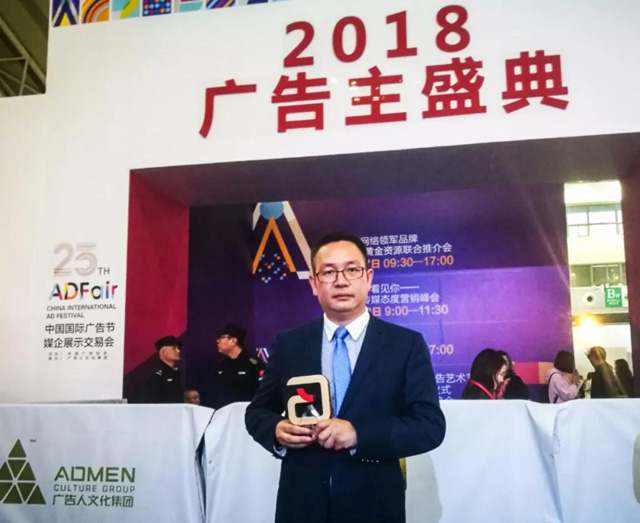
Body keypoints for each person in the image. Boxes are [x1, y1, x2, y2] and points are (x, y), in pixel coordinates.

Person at [245, 232, 445, 523]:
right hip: (301, 504)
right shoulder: (290, 344)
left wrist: (358, 434)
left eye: (352, 270)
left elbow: (429, 426)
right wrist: (276, 430)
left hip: (374, 504)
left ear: (368, 277)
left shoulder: (404, 344)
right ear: (314, 283)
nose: (340, 281)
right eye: (328, 272)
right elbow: (257, 413)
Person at [212, 323, 265, 409]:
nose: (218, 341)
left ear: (233, 341)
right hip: (225, 412)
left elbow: (261, 391)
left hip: (247, 410)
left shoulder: (253, 364)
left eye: (221, 337)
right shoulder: (221, 365)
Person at [139, 335, 183, 403]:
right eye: (173, 348)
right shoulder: (155, 375)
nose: (178, 351)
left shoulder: (178, 373)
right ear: (163, 352)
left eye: (178, 348)